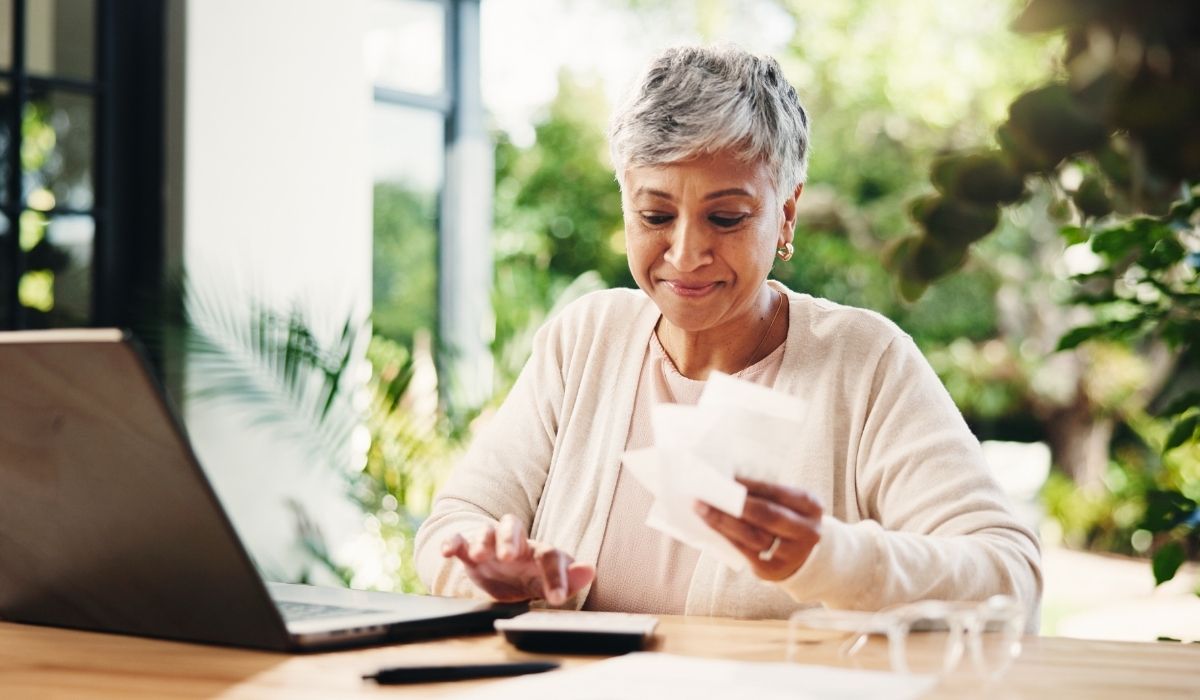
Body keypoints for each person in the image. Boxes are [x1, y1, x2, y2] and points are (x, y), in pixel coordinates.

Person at [413, 45, 1042, 629]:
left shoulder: (864, 363)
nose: (686, 254)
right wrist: (490, 575)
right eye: (655, 215)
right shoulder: (584, 341)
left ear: (786, 213)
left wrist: (834, 557)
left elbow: (1008, 574)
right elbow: (452, 525)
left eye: (726, 217)